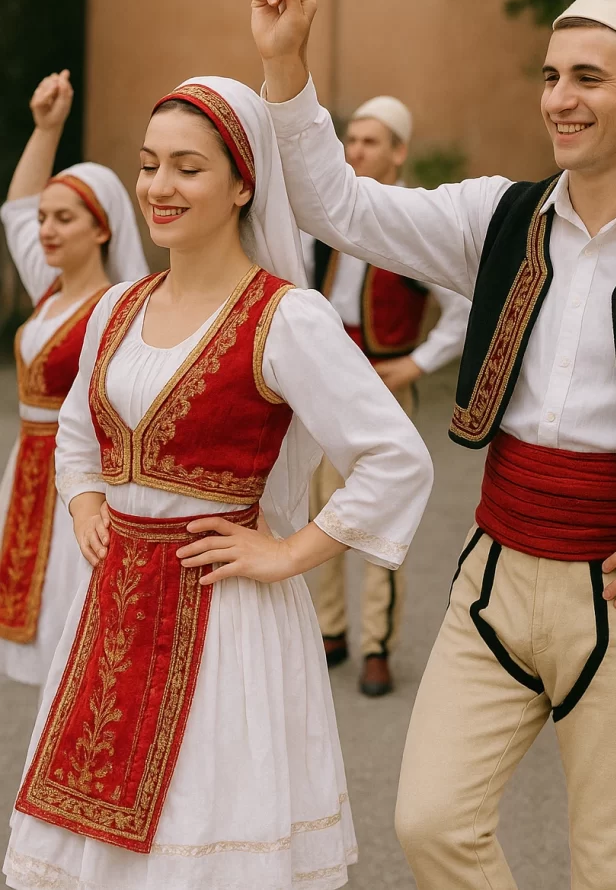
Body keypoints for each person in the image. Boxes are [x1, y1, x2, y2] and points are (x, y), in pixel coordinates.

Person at [251, 0, 616, 890]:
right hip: (492, 578)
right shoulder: (496, 215)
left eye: (588, 77)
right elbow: (338, 203)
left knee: (611, 874)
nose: (560, 100)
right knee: (428, 824)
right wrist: (289, 68)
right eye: (550, 76)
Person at [4, 75, 433, 890]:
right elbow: (75, 430)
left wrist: (292, 552)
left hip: (224, 621)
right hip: (112, 616)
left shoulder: (285, 318)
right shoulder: (117, 308)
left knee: (200, 840)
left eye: (188, 168)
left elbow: (393, 455)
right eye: (148, 164)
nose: (160, 187)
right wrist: (86, 497)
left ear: (243, 183)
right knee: (95, 850)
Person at [303, 94, 469, 696]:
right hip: (325, 387)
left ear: (398, 153)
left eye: (371, 141)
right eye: (352, 141)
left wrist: (414, 364)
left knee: (381, 516)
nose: (356, 151)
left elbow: (462, 309)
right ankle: (331, 629)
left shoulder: (410, 227)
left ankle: (377, 642)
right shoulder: (321, 224)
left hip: (379, 388)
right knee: (322, 508)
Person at [0, 70, 148, 686]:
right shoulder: (51, 289)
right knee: (32, 624)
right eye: (46, 219)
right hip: (25, 469)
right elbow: (15, 210)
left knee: (71, 630)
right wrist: (48, 128)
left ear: (102, 227)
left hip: (77, 481)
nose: (47, 230)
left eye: (64, 218)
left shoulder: (119, 308)